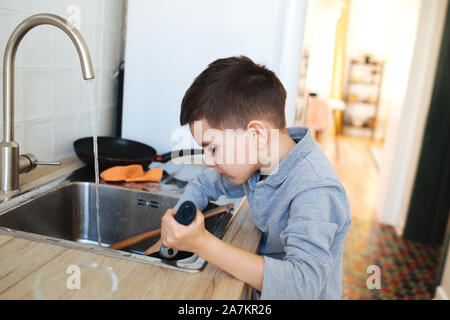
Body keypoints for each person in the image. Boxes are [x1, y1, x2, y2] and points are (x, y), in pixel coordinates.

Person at [144, 56, 351, 299]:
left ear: (256, 134)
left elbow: (302, 286)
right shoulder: (259, 162)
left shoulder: (315, 189)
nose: (208, 161)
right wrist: (177, 225)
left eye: (213, 148)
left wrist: (201, 243)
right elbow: (202, 184)